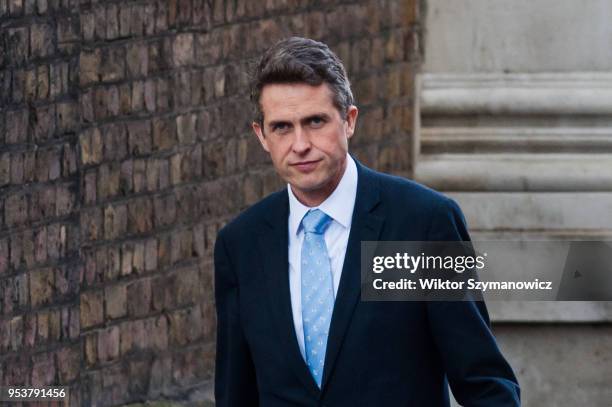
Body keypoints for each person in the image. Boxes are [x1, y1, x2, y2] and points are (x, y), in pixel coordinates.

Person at [214, 37, 520, 406]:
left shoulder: (422, 224)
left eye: (315, 121)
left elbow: (485, 383)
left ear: (349, 121)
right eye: (282, 127)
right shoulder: (241, 244)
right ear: (261, 136)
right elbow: (235, 393)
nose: (300, 144)